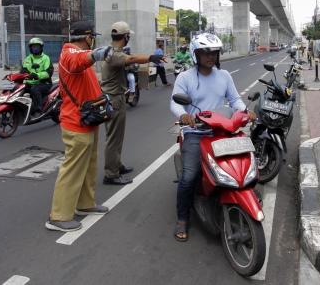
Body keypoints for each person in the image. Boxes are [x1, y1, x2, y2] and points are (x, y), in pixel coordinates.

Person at [169, 33, 258, 242]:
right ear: (195, 54)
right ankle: (182, 218)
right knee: (189, 176)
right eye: (205, 52)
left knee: (245, 165)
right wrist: (183, 115)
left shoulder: (224, 75)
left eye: (214, 52)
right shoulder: (185, 77)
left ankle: (246, 197)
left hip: (223, 130)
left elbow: (234, 99)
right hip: (196, 132)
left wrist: (246, 111)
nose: (211, 56)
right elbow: (175, 103)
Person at [45, 21, 113, 232]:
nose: (92, 41)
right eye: (92, 37)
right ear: (87, 38)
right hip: (76, 123)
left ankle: (85, 204)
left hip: (89, 121)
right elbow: (77, 61)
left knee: (89, 165)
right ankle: (58, 216)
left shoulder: (81, 57)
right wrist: (94, 55)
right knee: (73, 169)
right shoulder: (69, 54)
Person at [100, 21, 167, 185]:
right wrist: (151, 57)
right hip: (114, 98)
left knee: (117, 136)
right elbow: (131, 58)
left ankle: (116, 165)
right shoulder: (114, 54)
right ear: (126, 36)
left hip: (116, 97)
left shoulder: (113, 51)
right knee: (113, 138)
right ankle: (111, 174)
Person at [19, 38, 54, 119]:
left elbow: (49, 72)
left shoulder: (45, 58)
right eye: (33, 46)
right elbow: (22, 70)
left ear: (41, 47)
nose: (35, 48)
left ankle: (38, 110)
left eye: (37, 46)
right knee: (19, 89)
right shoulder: (28, 59)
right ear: (30, 48)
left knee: (34, 89)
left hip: (44, 82)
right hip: (30, 82)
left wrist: (37, 75)